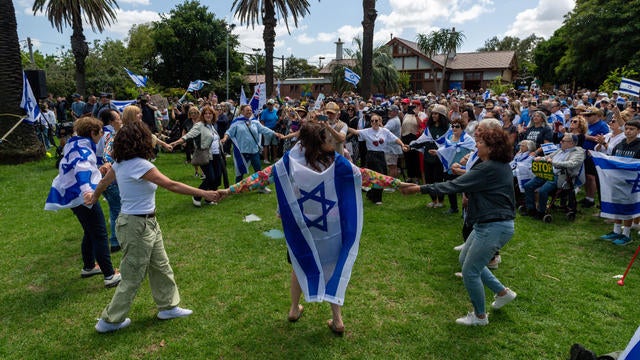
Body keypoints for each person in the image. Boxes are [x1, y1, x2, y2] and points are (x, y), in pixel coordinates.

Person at [216, 121, 413, 335]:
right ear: (322, 140)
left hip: (303, 227)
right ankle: (337, 319)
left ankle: (294, 309)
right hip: (331, 226)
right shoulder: (335, 162)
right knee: (332, 266)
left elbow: (258, 178)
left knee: (299, 263)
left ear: (302, 140)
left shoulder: (287, 163)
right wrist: (397, 183)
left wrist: (229, 190)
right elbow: (366, 175)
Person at [85, 121, 219, 333]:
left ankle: (168, 307)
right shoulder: (140, 165)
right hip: (136, 225)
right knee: (132, 275)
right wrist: (204, 193)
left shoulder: (120, 163)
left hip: (145, 223)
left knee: (161, 265)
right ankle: (109, 321)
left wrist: (94, 196)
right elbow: (171, 184)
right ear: (141, 141)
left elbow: (104, 182)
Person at [404, 128, 517, 326]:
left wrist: (420, 188)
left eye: (481, 142)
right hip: (488, 224)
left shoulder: (489, 167)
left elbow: (454, 185)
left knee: (470, 271)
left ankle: (480, 317)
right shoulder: (497, 165)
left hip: (494, 226)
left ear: (492, 148)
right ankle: (502, 292)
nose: (477, 145)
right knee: (465, 259)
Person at [45, 117, 121, 288]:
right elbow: (82, 171)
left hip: (73, 195)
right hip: (82, 197)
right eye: (101, 132)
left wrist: (99, 170)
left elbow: (81, 168)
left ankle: (89, 266)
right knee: (100, 233)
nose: (102, 135)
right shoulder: (84, 151)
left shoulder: (74, 144)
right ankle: (109, 275)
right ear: (92, 133)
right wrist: (88, 191)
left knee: (89, 231)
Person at [347, 114, 409, 204]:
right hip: (372, 155)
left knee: (381, 175)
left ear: (380, 121)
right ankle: (377, 199)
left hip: (381, 155)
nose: (374, 123)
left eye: (376, 120)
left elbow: (395, 139)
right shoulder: (367, 131)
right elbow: (356, 132)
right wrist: (344, 126)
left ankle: (371, 194)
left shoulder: (385, 131)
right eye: (372, 121)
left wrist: (402, 145)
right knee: (378, 176)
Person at [170, 105, 223, 207]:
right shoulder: (199, 125)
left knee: (217, 178)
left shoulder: (212, 125)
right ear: (202, 115)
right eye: (206, 113)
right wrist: (176, 142)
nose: (208, 115)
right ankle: (196, 196)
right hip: (205, 155)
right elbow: (189, 135)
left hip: (217, 155)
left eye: (210, 113)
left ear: (213, 115)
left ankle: (209, 198)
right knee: (210, 178)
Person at [523, 133, 585, 219]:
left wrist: (553, 162)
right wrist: (539, 159)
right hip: (548, 173)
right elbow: (548, 157)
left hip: (561, 177)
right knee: (528, 186)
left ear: (571, 143)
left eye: (563, 141)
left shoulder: (579, 153)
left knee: (542, 191)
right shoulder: (560, 150)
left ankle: (541, 212)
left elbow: (571, 164)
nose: (560, 142)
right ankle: (531, 209)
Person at [598, 119, 640, 245]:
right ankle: (616, 231)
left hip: (631, 182)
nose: (628, 131)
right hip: (617, 179)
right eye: (626, 128)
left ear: (638, 131)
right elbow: (611, 158)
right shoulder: (620, 144)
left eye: (632, 129)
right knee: (617, 204)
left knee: (628, 207)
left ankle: (626, 234)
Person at [221, 104, 283, 184]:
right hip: (242, 151)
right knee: (240, 171)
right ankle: (237, 189)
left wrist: (275, 133)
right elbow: (229, 132)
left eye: (250, 110)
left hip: (254, 151)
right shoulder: (236, 122)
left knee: (258, 170)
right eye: (247, 110)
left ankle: (261, 186)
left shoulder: (254, 122)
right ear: (242, 111)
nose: (249, 112)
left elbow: (264, 129)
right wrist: (225, 138)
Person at [99, 109, 123, 252]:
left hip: (102, 178)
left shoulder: (100, 134)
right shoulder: (110, 136)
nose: (120, 120)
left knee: (115, 209)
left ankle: (116, 239)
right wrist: (108, 163)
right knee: (116, 210)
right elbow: (107, 156)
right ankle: (115, 241)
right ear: (111, 121)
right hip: (109, 178)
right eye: (118, 118)